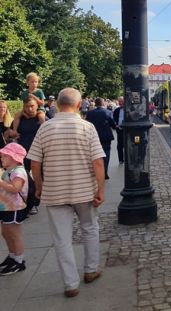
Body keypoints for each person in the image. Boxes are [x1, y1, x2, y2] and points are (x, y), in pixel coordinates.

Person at [27, 87, 106, 298]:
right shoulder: (87, 127)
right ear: (79, 105)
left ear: (58, 104)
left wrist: (41, 187)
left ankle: (71, 284)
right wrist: (101, 189)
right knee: (90, 228)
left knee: (62, 238)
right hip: (84, 191)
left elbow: (35, 163)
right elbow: (98, 162)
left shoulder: (45, 128)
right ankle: (90, 270)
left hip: (55, 192)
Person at [0, 143, 29, 276]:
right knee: (6, 233)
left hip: (14, 208)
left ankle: (19, 261)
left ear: (13, 157)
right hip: (6, 208)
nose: (1, 158)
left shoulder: (19, 172)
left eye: (4, 156)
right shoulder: (8, 171)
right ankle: (12, 257)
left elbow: (15, 188)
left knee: (14, 234)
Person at [86, 98, 116, 180]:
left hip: (93, 137)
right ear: (103, 103)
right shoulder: (107, 112)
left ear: (95, 104)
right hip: (105, 137)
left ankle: (95, 173)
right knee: (106, 155)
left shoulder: (90, 113)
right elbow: (113, 124)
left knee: (94, 155)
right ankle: (104, 173)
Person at [112, 96, 125, 164]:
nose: (120, 103)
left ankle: (126, 158)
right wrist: (115, 125)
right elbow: (113, 119)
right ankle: (120, 159)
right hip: (119, 129)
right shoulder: (117, 110)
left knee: (126, 144)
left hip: (126, 130)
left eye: (121, 101)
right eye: (119, 101)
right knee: (119, 145)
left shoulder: (128, 109)